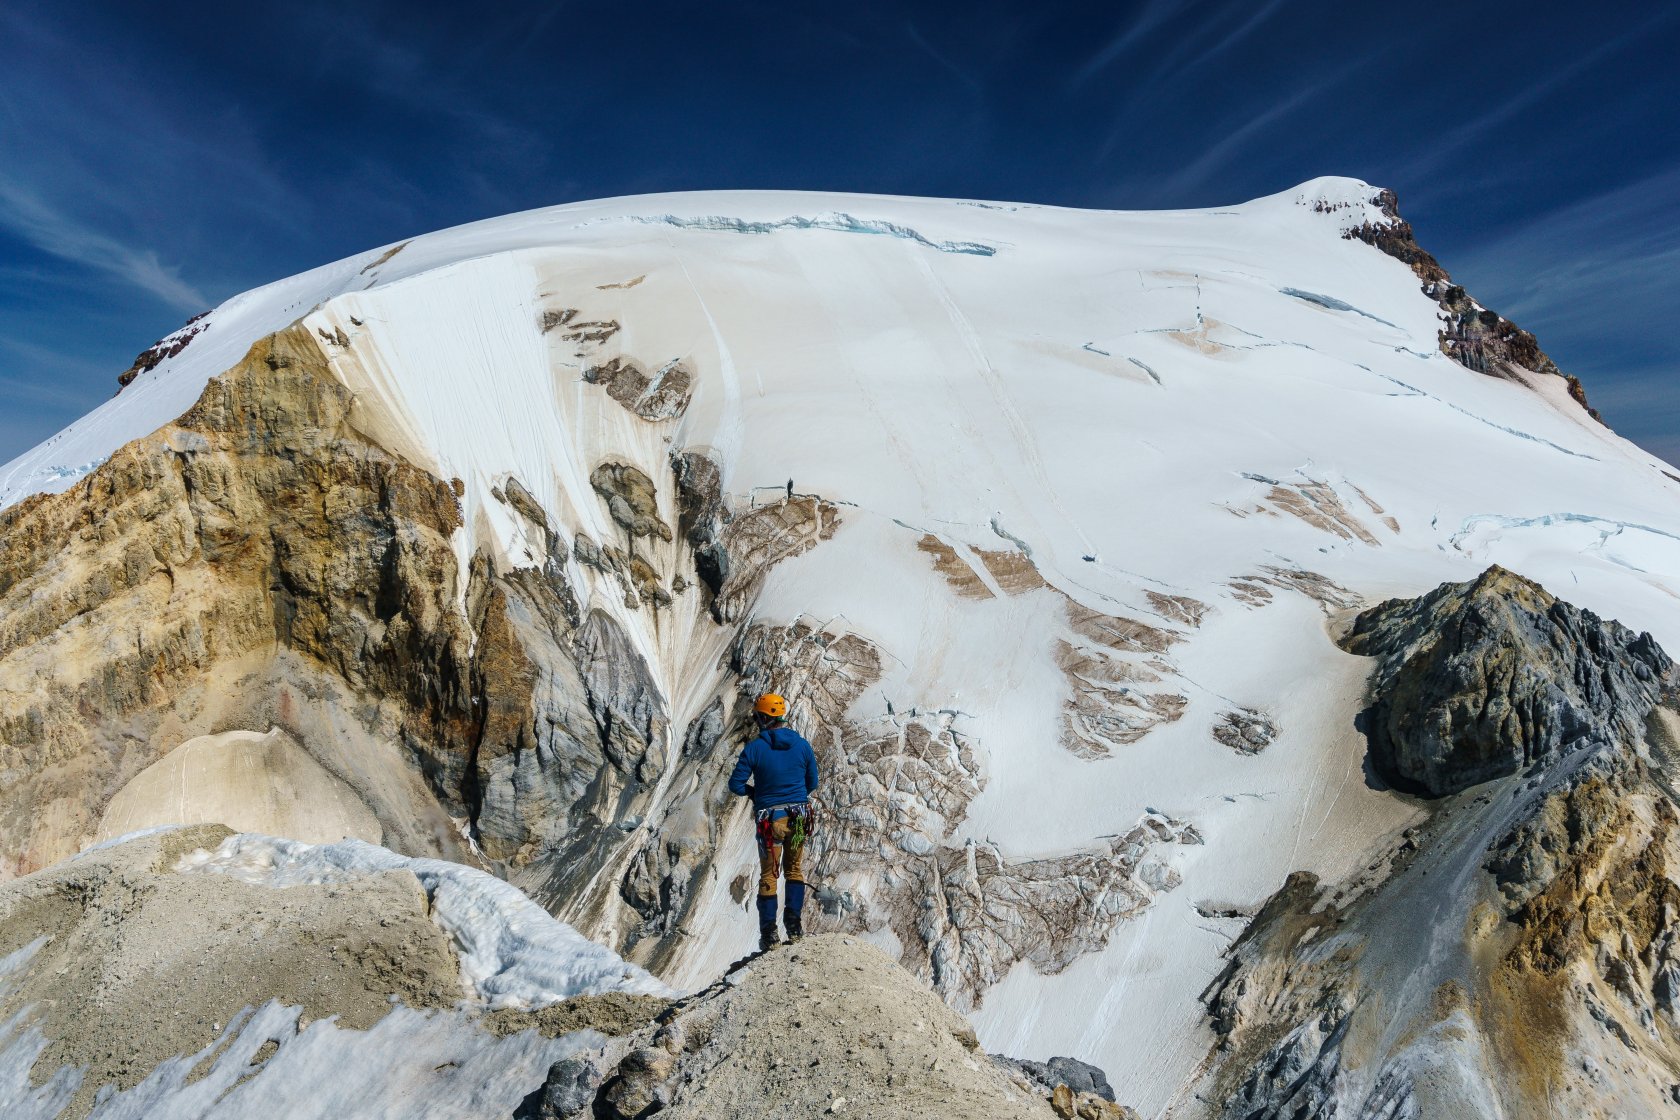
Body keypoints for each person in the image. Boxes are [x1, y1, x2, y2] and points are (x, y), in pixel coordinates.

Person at [728, 692, 819, 951]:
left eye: (758, 716)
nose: (756, 720)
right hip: (799, 818)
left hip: (770, 820)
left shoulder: (754, 749)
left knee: (769, 874)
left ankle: (769, 936)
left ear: (765, 718)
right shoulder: (802, 746)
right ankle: (794, 927)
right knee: (794, 870)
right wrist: (794, 793)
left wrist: (757, 794)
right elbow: (812, 782)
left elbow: (735, 784)